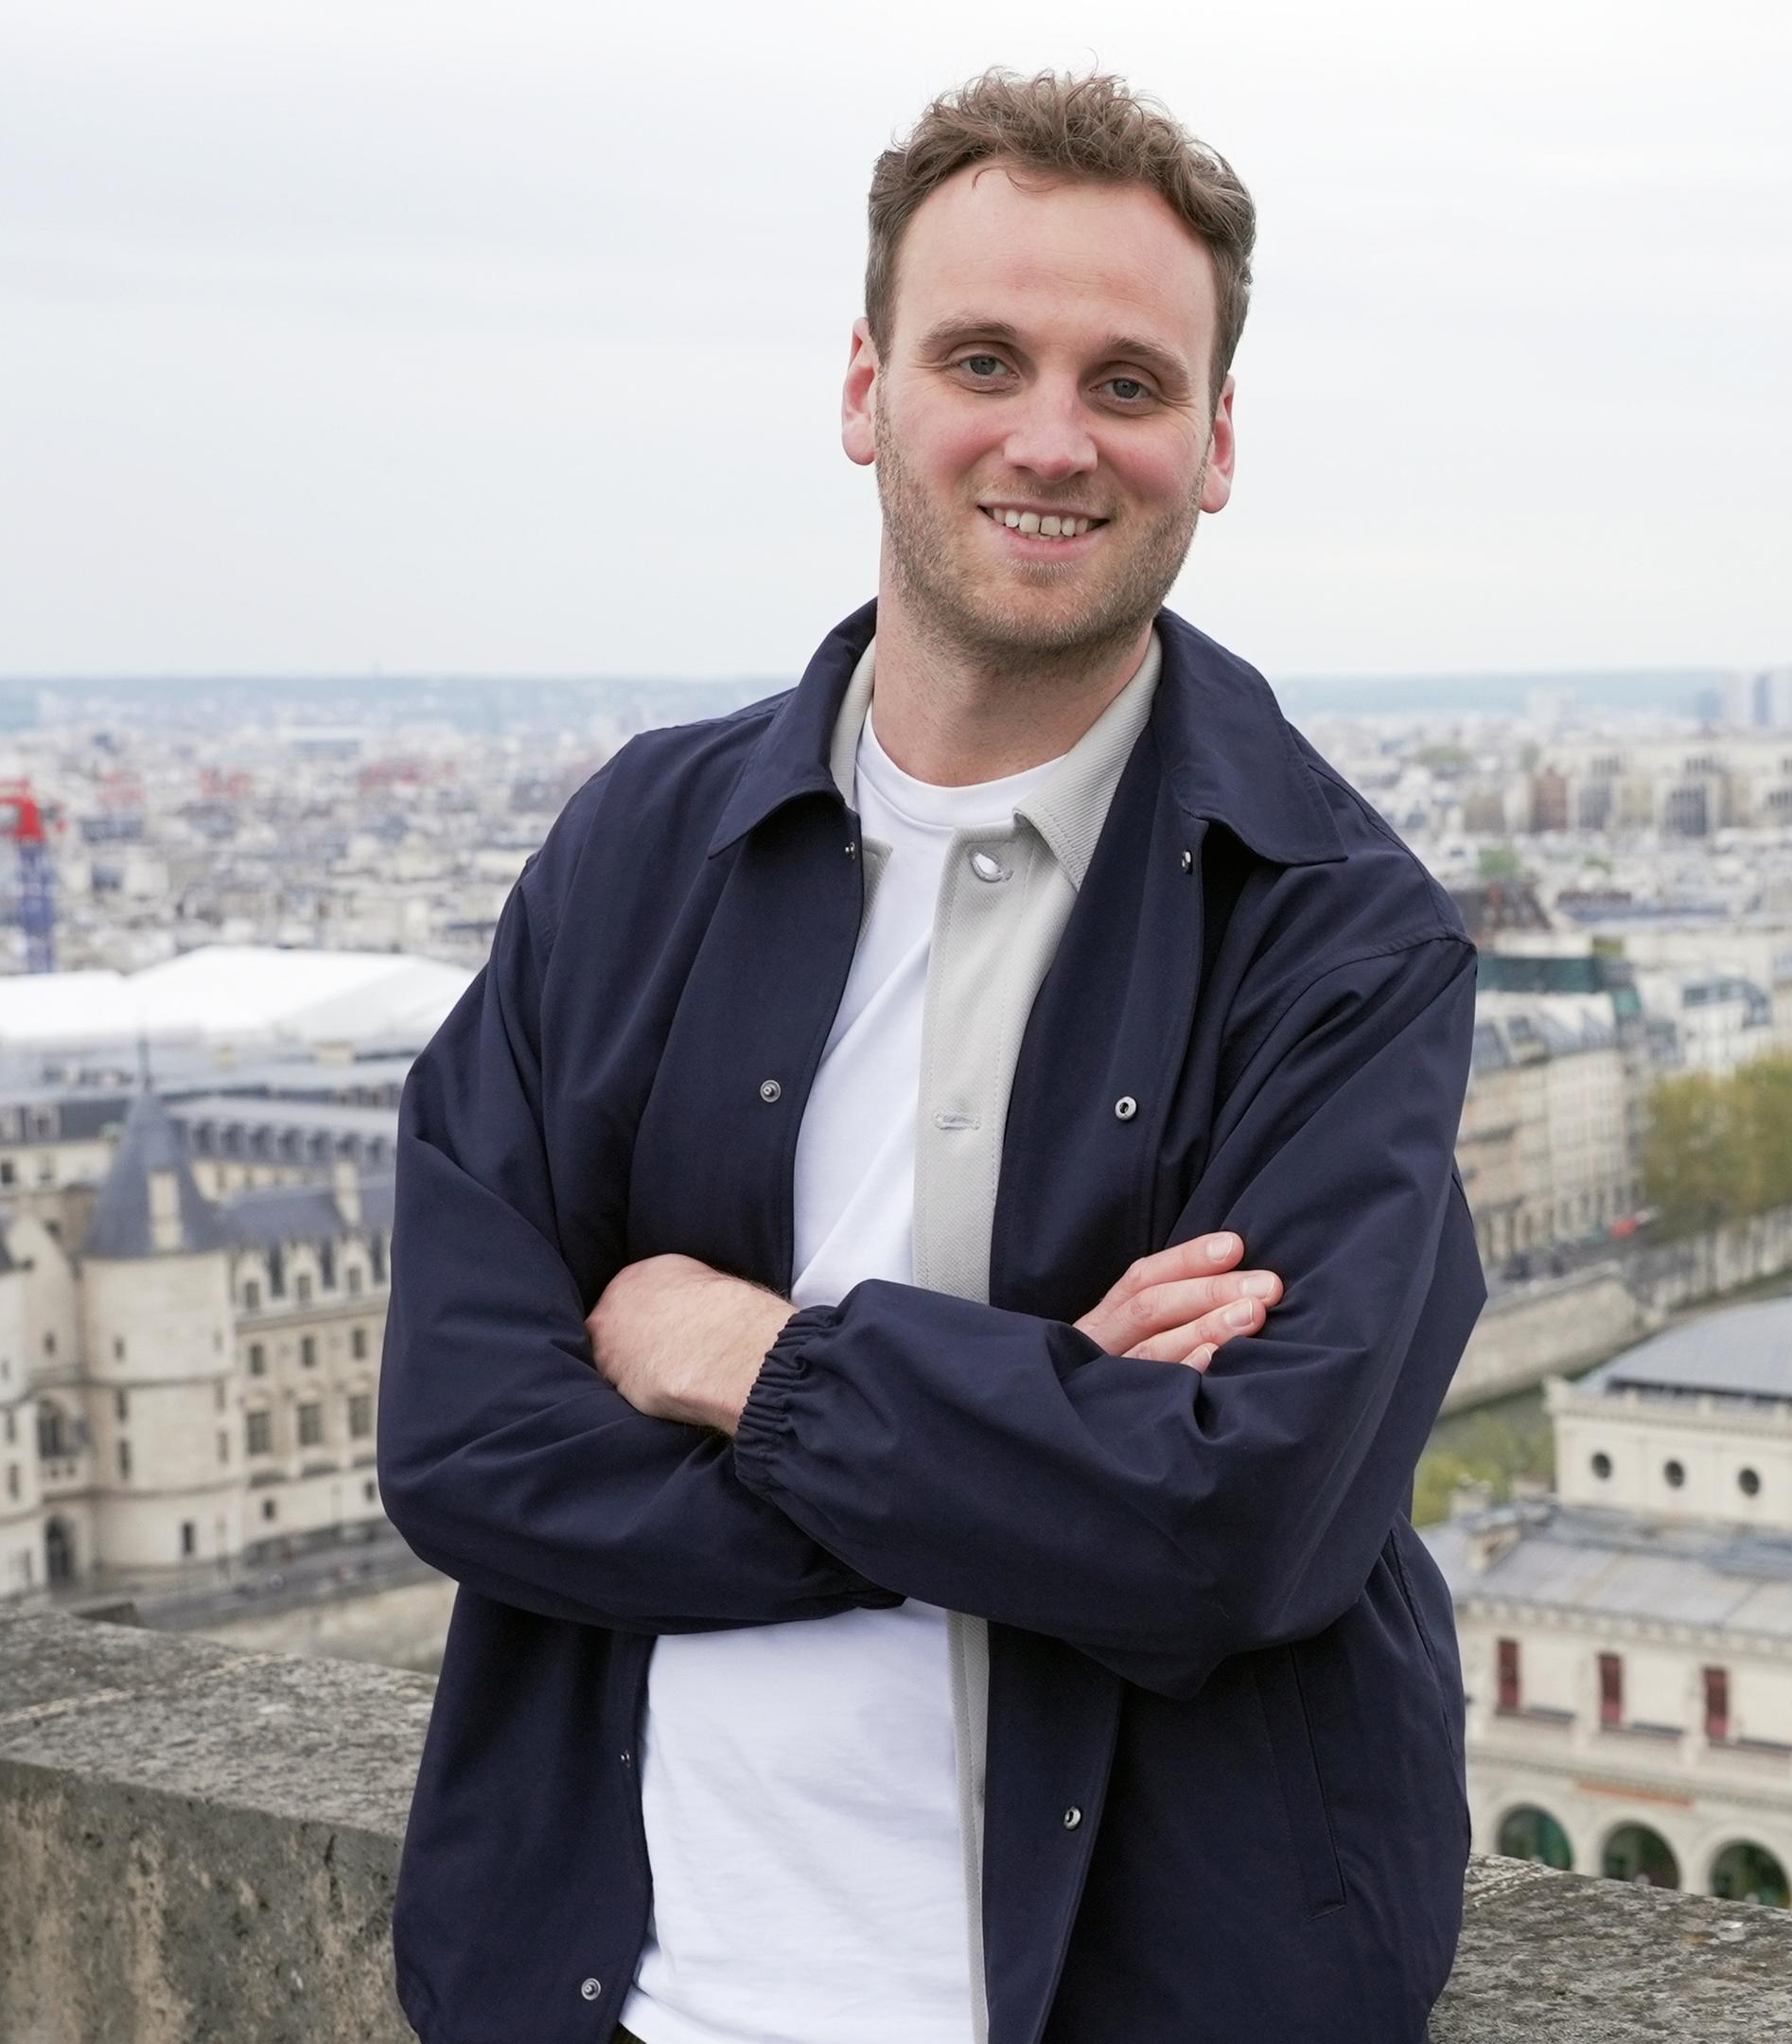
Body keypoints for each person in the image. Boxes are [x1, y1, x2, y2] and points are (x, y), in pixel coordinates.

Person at [377, 70, 1479, 2044]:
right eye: (987, 358)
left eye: (1128, 384)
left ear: (1214, 445)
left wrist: (745, 1362)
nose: (1053, 438)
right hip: (619, 1997)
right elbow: (463, 1443)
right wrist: (1050, 1430)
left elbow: (1241, 1528)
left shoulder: (1339, 926)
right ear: (866, 390)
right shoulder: (633, 850)